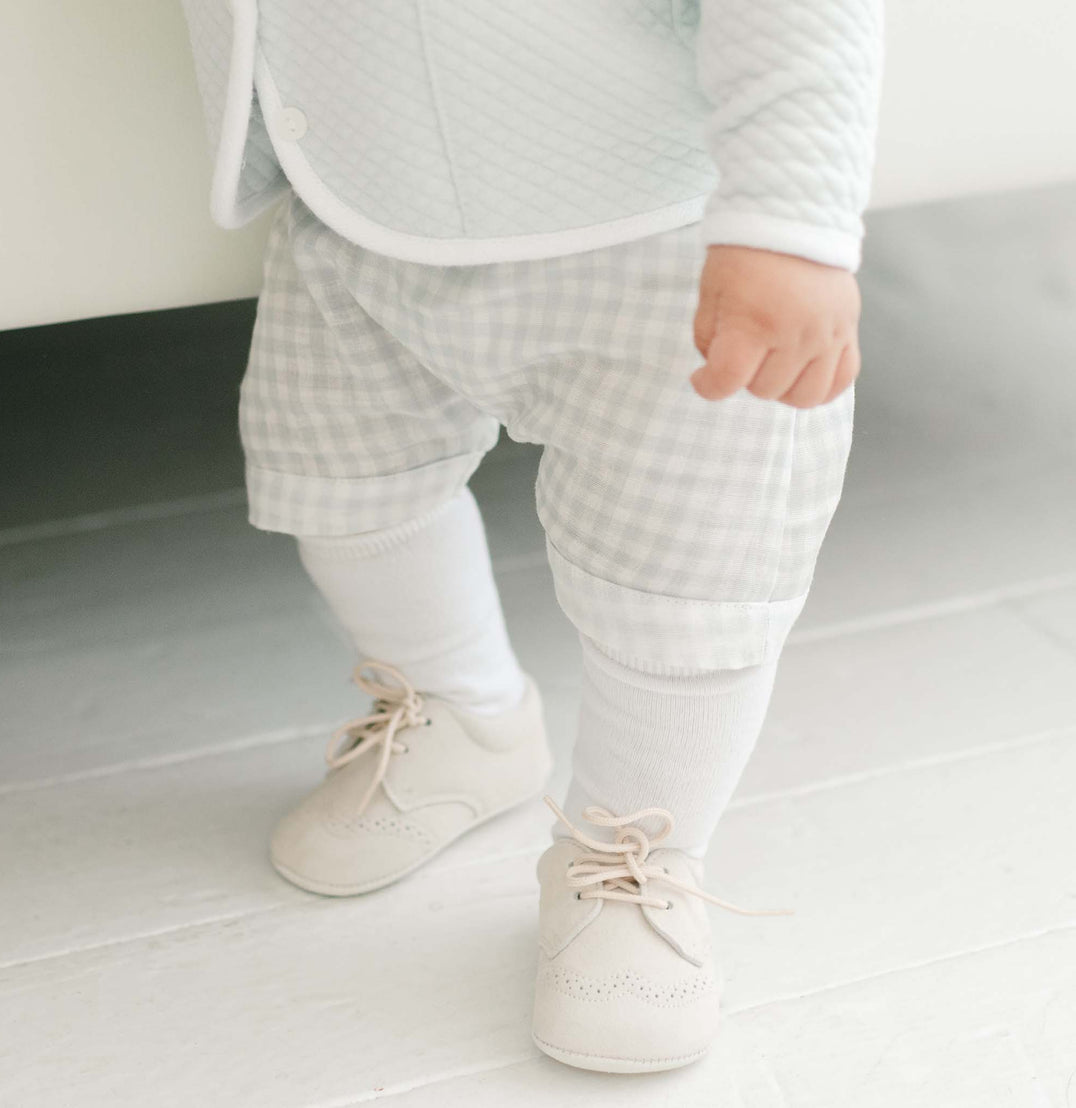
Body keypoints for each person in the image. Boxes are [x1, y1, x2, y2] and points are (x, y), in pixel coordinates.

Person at [179, 0, 883, 1074]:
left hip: (660, 231)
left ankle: (630, 850)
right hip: (358, 202)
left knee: (685, 576)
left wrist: (791, 224)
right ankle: (465, 716)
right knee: (343, 484)